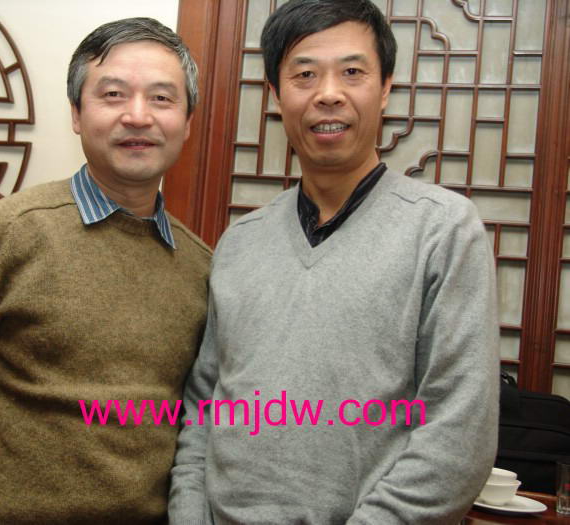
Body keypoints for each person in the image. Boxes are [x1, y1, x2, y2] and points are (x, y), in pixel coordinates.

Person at [169, 1, 499, 523]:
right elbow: (202, 406)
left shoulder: (443, 229)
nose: (328, 93)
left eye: (352, 72)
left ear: (385, 87)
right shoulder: (240, 242)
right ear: (276, 95)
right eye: (304, 74)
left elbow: (459, 435)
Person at [0, 17, 211, 524]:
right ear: (77, 114)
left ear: (188, 122)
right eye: (113, 94)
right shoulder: (2, 234)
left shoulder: (201, 266)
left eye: (162, 98)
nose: (138, 115)